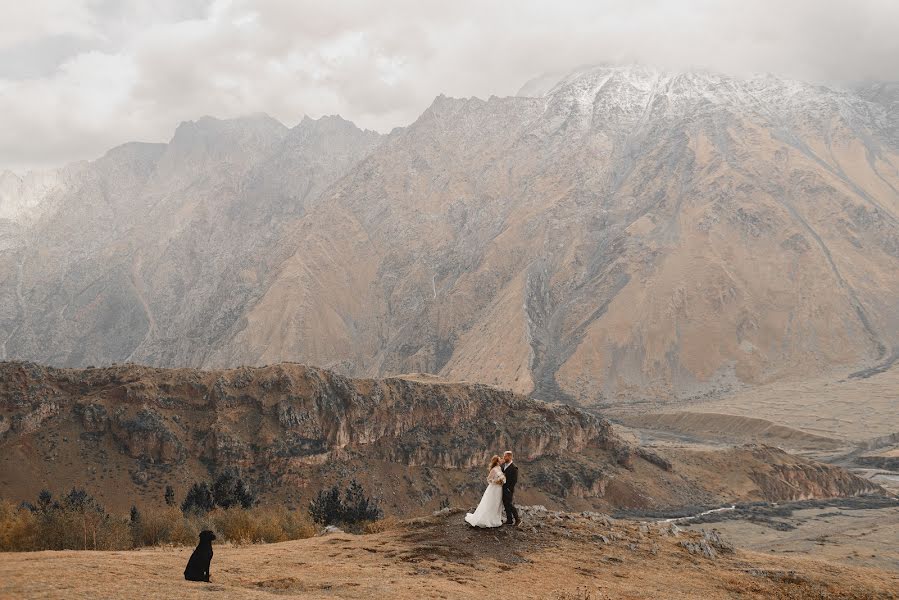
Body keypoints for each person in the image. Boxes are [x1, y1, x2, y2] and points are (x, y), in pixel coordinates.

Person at [464, 455, 506, 528]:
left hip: (499, 489)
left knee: (497, 503)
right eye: (499, 459)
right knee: (491, 503)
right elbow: (488, 479)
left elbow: (502, 477)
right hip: (494, 489)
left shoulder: (499, 468)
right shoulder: (494, 469)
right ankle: (487, 519)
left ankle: (495, 518)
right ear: (497, 461)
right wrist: (496, 481)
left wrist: (502, 481)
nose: (501, 460)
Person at [501, 450, 520, 527]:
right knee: (505, 503)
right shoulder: (503, 465)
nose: (504, 457)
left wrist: (509, 488)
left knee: (509, 503)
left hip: (508, 489)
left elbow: (514, 480)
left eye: (505, 456)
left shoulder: (514, 468)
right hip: (502, 488)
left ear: (509, 456)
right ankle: (509, 519)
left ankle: (517, 519)